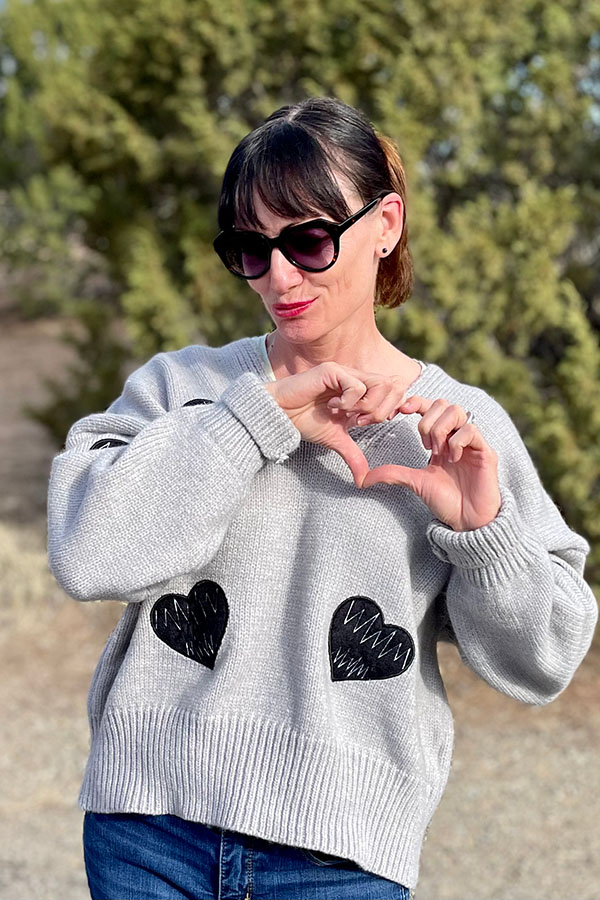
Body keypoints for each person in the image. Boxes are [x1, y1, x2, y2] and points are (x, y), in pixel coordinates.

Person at [47, 96, 598, 900]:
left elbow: (543, 662)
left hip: (340, 863)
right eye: (249, 248)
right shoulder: (185, 387)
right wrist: (252, 422)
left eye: (308, 239)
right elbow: (87, 552)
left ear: (387, 223)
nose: (278, 276)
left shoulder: (457, 427)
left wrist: (485, 535)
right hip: (148, 835)